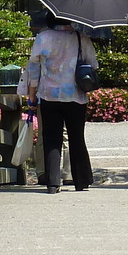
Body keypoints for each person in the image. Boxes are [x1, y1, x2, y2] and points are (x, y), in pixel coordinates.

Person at [22, 14, 96, 193]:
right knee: (77, 137)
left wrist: (31, 96)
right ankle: (81, 180)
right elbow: (93, 64)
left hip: (49, 95)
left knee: (51, 138)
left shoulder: (43, 38)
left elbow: (34, 69)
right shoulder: (80, 37)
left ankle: (53, 183)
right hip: (75, 95)